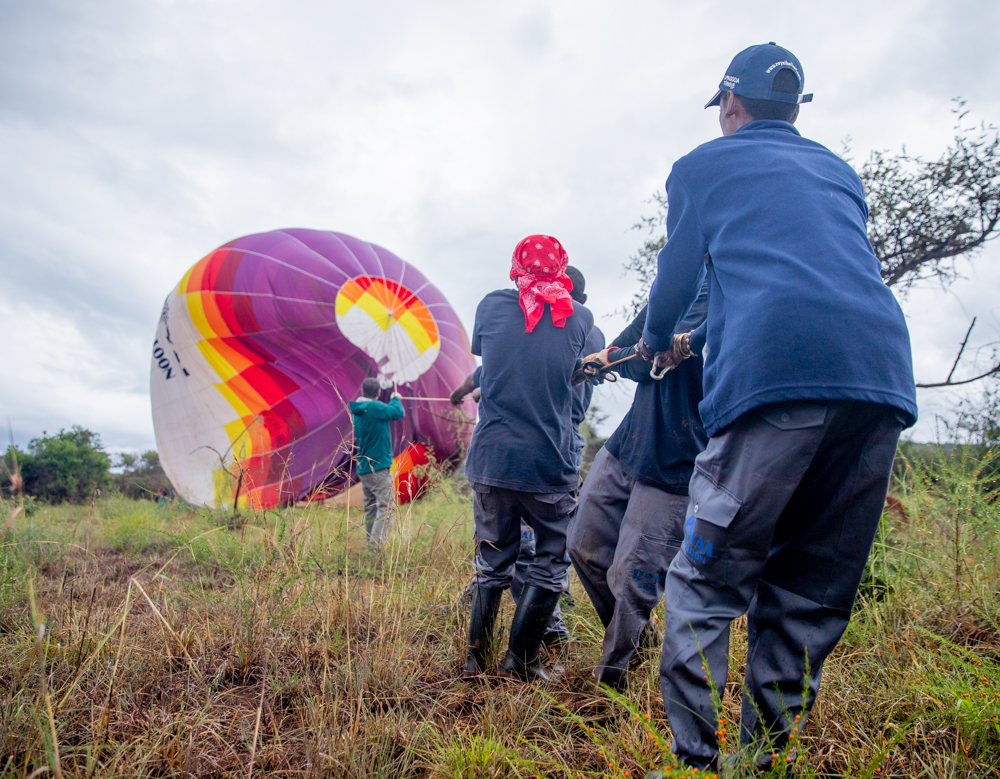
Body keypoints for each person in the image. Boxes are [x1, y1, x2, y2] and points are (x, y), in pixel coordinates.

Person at [638, 43, 917, 773]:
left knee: (703, 584)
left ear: (729, 105)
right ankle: (761, 765)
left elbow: (674, 276)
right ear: (795, 109)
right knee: (805, 593)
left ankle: (697, 763)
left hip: (776, 380)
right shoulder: (839, 171)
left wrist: (656, 339)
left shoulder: (702, 165)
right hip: (880, 380)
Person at [462, 235, 594, 681]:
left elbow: (491, 353)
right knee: (551, 557)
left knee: (492, 558)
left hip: (493, 458)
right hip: (548, 463)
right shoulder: (579, 317)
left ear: (515, 265)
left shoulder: (491, 306)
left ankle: (474, 661)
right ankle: (520, 660)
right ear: (562, 268)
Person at [567, 283, 707, 693]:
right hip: (629, 441)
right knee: (581, 543)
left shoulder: (735, 296)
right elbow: (625, 354)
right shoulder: (673, 294)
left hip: (679, 459)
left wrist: (658, 349)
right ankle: (638, 640)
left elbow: (674, 355)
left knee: (632, 576)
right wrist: (634, 354)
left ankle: (611, 681)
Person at [350, 377, 405, 549]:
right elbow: (397, 412)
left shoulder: (360, 408)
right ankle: (374, 550)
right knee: (387, 507)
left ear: (363, 392)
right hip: (379, 467)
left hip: (364, 468)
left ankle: (370, 546)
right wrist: (396, 398)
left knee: (372, 509)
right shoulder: (375, 407)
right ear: (379, 393)